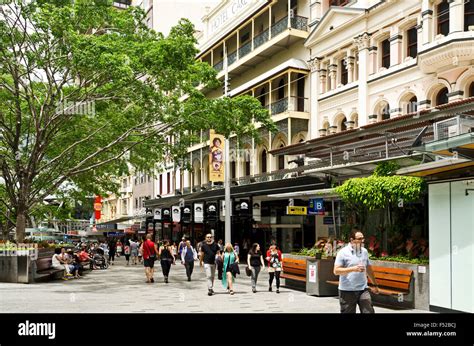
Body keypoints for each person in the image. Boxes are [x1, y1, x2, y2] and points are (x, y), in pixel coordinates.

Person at [333, 229, 380, 313]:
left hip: (363, 289)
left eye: (363, 238)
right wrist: (353, 269)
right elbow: (336, 271)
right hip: (347, 290)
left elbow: (368, 269)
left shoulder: (364, 251)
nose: (362, 240)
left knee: (368, 312)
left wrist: (375, 284)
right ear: (352, 240)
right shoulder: (343, 253)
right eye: (359, 239)